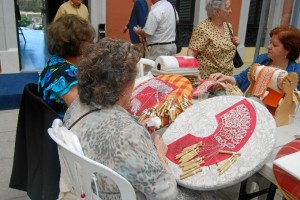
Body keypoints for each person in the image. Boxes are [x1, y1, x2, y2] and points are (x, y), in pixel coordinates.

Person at [64, 38, 222, 200]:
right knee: (206, 190)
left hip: (93, 189)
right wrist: (160, 156)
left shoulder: (75, 107)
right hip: (122, 194)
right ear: (123, 89)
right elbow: (166, 194)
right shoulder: (129, 134)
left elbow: (108, 133)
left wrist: (136, 128)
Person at [38, 14, 95, 118]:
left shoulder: (54, 61)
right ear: (78, 45)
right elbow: (85, 115)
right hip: (66, 128)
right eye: (89, 41)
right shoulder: (66, 77)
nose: (91, 45)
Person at [210, 26, 300, 92]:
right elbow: (242, 78)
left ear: (287, 50)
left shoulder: (295, 74)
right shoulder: (262, 59)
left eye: (275, 45)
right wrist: (226, 77)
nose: (269, 47)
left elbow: (294, 103)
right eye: (270, 43)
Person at [187, 0, 240, 80]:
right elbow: (191, 54)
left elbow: (225, 48)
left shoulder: (228, 26)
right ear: (217, 11)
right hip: (208, 80)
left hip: (226, 79)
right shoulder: (203, 29)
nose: (231, 11)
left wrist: (235, 44)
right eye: (228, 8)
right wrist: (196, 75)